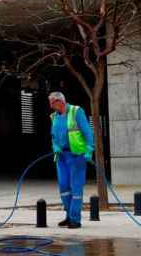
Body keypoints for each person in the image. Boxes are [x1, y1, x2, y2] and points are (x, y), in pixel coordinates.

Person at [48, 91, 94, 229]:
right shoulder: (54, 116)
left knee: (76, 188)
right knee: (64, 187)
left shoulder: (76, 111)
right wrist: (55, 146)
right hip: (61, 157)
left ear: (59, 102)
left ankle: (75, 219)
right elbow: (53, 137)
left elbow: (87, 132)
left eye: (52, 103)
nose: (50, 106)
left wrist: (89, 150)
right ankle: (68, 216)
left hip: (76, 156)